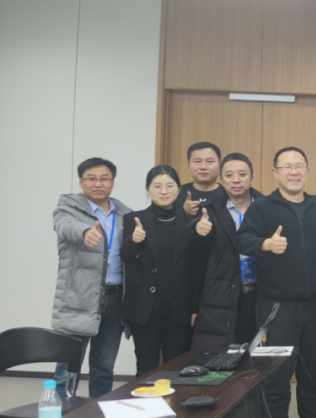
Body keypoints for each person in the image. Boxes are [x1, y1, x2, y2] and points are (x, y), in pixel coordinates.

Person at [237, 147, 316, 418]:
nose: (294, 171)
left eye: (299, 166)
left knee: (314, 372)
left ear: (307, 171)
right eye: (287, 167)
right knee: (276, 375)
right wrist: (266, 244)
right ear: (275, 173)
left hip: (315, 306)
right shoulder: (262, 208)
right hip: (276, 307)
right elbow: (242, 240)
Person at [52, 158, 132, 399]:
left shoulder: (125, 214)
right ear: (81, 182)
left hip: (115, 299)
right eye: (92, 178)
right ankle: (62, 415)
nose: (98, 183)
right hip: (78, 297)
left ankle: (97, 414)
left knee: (104, 368)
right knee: (67, 369)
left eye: (104, 178)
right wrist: (85, 231)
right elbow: (65, 226)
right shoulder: (68, 207)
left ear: (112, 183)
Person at [120, 166, 204, 376]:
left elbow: (197, 268)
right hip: (144, 308)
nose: (164, 191)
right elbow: (126, 257)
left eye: (170, 186)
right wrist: (135, 242)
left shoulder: (191, 222)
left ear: (178, 190)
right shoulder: (134, 219)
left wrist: (195, 307)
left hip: (180, 308)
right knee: (146, 367)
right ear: (148, 190)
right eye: (157, 186)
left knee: (177, 367)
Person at [191, 153, 266, 348]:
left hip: (261, 290)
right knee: (222, 355)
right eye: (229, 175)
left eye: (242, 174)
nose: (236, 180)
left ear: (252, 178)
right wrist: (197, 230)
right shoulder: (208, 210)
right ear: (222, 180)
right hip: (223, 293)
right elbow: (195, 260)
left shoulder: (267, 207)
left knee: (260, 356)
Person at [178, 142, 228, 217]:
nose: (203, 167)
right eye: (197, 161)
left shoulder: (228, 194)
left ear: (220, 167)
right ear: (188, 167)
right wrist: (184, 211)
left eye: (209, 161)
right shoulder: (178, 193)